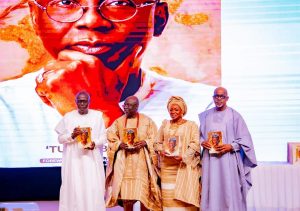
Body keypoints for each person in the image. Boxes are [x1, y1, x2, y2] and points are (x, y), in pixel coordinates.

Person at [199, 87, 257, 211]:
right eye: (216, 96)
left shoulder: (234, 116)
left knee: (228, 189)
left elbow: (245, 139)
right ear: (213, 98)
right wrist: (202, 142)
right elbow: (199, 136)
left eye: (222, 96)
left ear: (227, 98)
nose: (219, 99)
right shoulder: (206, 116)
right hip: (210, 161)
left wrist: (231, 146)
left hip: (228, 160)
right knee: (211, 188)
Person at [105, 95, 161, 211]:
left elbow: (156, 138)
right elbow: (110, 137)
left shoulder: (147, 121)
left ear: (137, 107)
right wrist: (119, 144)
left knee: (143, 194)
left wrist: (145, 142)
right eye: (125, 105)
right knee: (127, 196)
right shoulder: (118, 121)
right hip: (124, 163)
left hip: (141, 163)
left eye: (129, 105)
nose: (126, 107)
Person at [55, 91, 107, 211]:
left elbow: (104, 137)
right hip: (73, 160)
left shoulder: (97, 116)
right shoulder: (68, 116)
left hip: (91, 158)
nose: (82, 103)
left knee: (92, 186)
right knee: (74, 187)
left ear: (89, 102)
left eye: (84, 101)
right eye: (79, 101)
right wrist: (72, 135)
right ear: (76, 102)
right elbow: (60, 139)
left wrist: (95, 143)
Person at [156, 96, 201, 210]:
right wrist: (162, 150)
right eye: (171, 109)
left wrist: (184, 156)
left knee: (185, 198)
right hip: (167, 168)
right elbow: (157, 143)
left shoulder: (191, 125)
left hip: (184, 166)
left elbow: (195, 143)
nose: (173, 112)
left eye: (176, 109)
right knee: (168, 199)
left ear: (182, 111)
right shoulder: (165, 124)